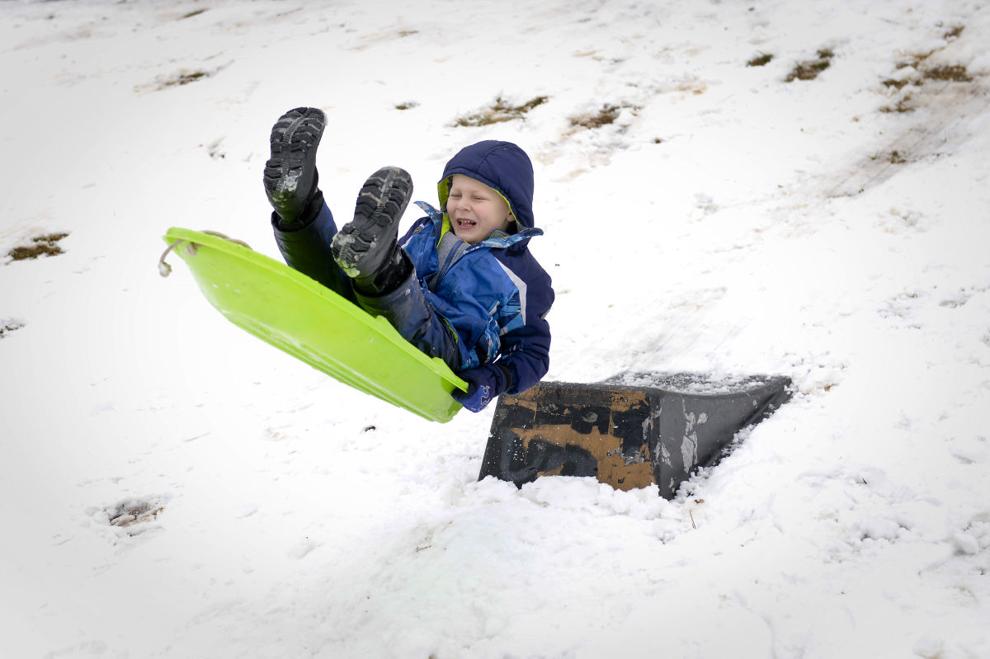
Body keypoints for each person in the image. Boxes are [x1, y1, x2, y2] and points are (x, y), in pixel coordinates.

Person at [262, 107, 554, 412]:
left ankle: (376, 265)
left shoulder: (523, 277)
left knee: (385, 281)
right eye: (455, 195)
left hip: (444, 352)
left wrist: (494, 378)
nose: (462, 206)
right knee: (338, 279)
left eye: (477, 198)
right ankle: (297, 203)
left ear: (510, 211)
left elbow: (532, 351)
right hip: (382, 306)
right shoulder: (427, 232)